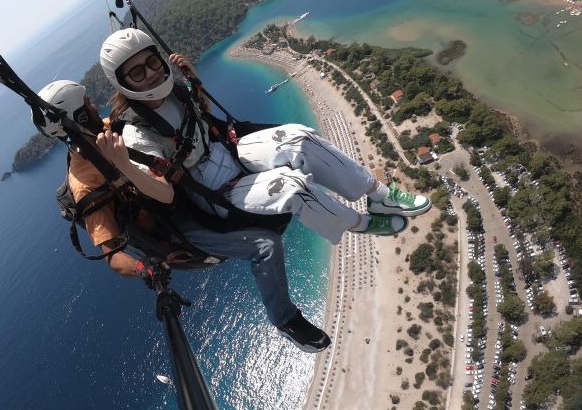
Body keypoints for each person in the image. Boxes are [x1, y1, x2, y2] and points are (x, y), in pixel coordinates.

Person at [96, 28, 431, 352]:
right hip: (212, 189)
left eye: (152, 62)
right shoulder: (136, 136)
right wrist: (124, 165)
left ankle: (378, 194)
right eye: (137, 73)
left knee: (299, 136)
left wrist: (194, 79)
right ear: (122, 83)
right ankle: (359, 223)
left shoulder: (176, 90)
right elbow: (165, 194)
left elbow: (201, 120)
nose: (152, 74)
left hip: (226, 151)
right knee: (293, 187)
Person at [33, 80, 174, 283]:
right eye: (88, 102)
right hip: (169, 224)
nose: (94, 106)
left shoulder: (107, 127)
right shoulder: (85, 182)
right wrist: (142, 267)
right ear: (79, 117)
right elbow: (112, 255)